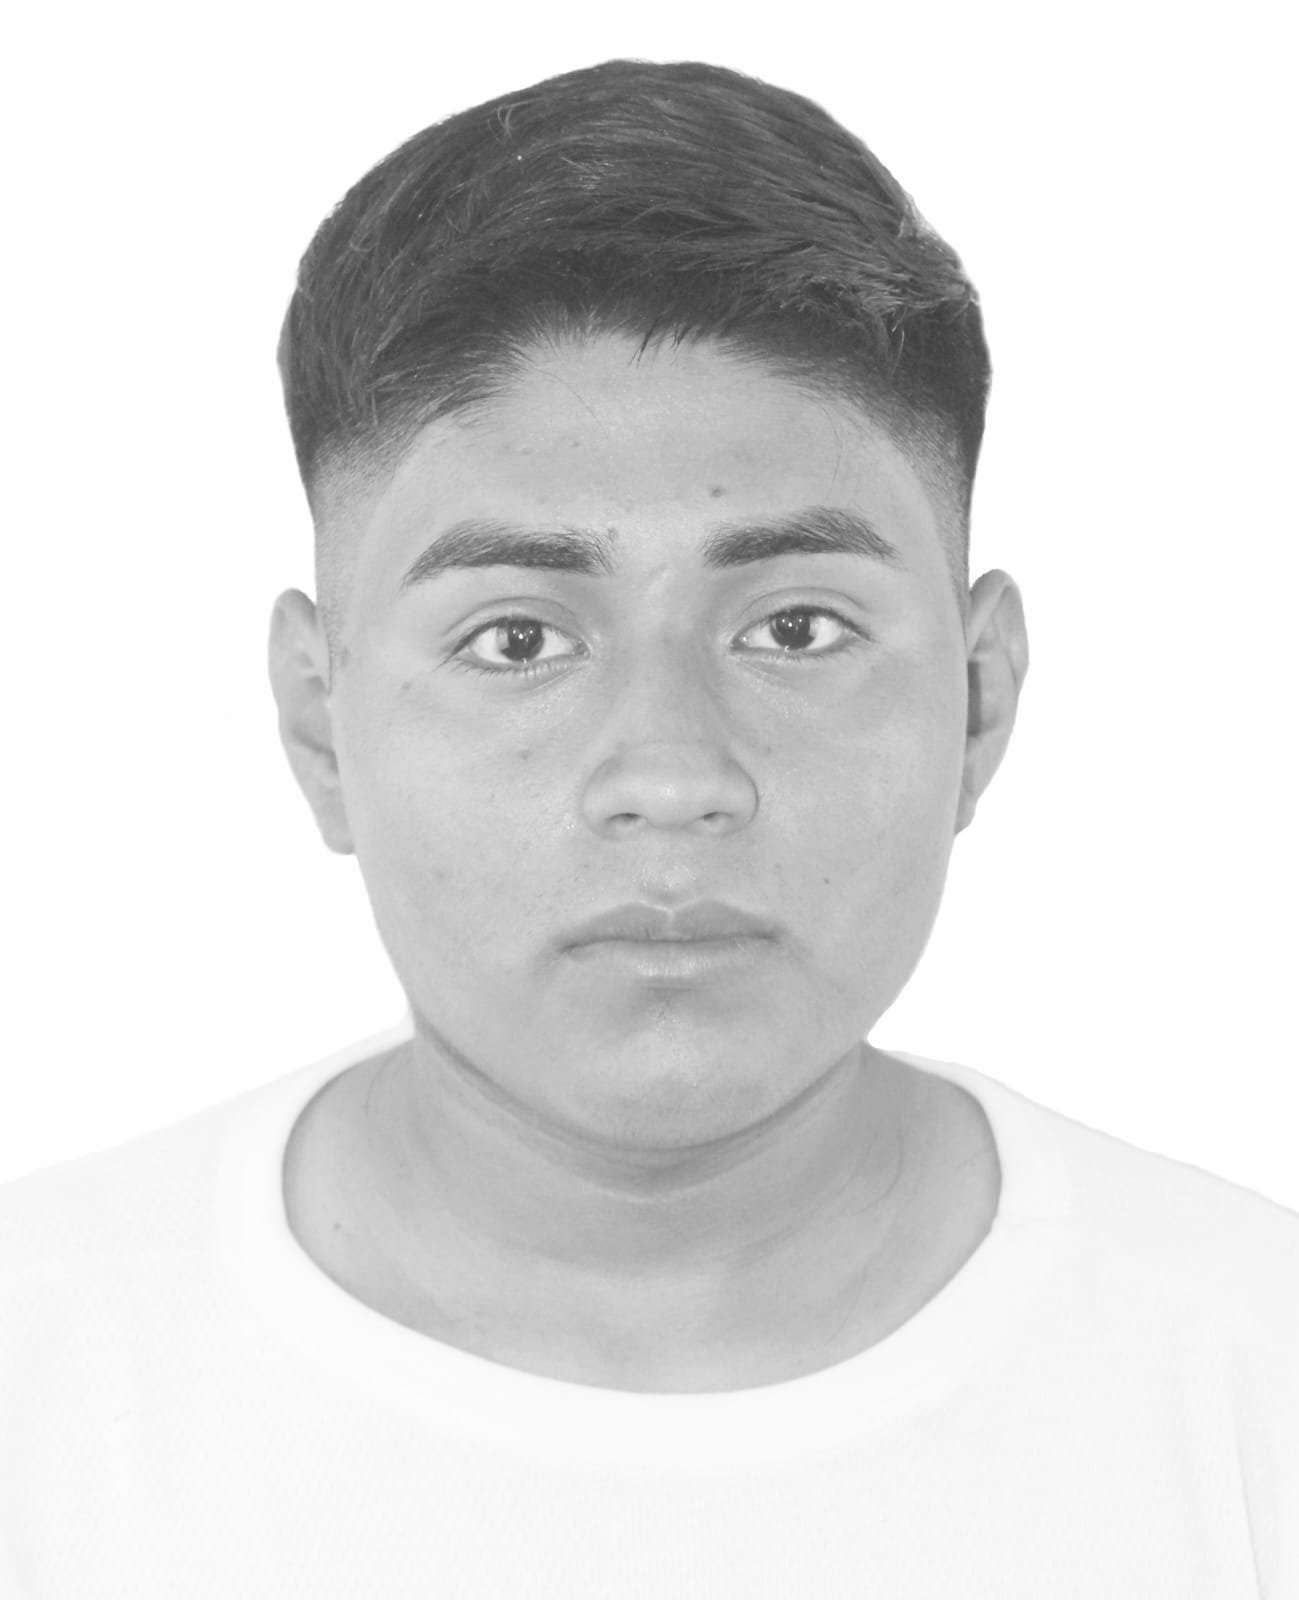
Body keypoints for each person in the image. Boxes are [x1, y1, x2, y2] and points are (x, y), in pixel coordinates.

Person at [1, 57, 1295, 1598]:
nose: (672, 776)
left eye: (797, 629)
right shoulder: (44, 1381)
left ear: (979, 698)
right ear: (318, 721)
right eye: (518, 640)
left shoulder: (1253, 1378)